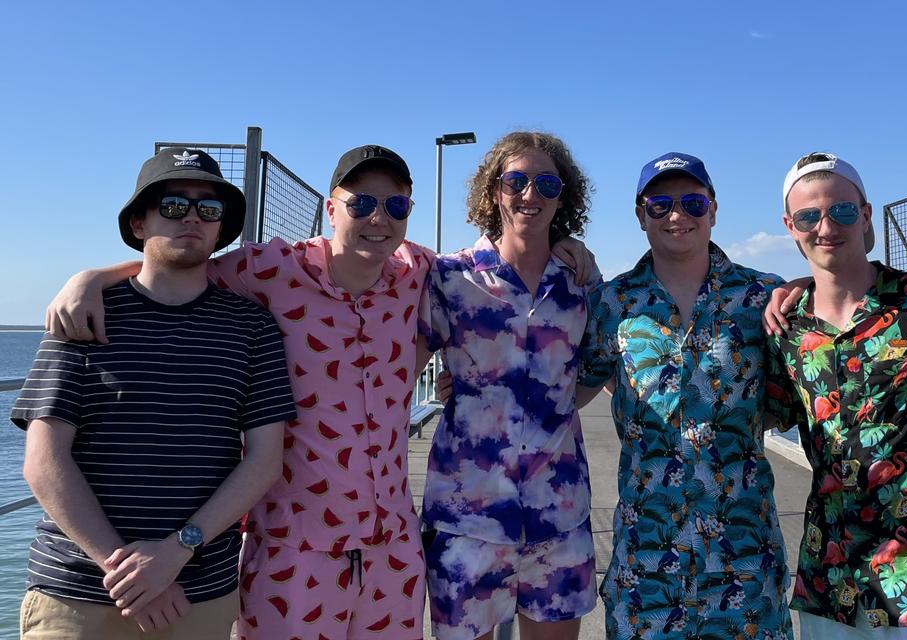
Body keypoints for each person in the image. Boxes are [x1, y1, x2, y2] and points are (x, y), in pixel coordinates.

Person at [46, 143, 598, 640]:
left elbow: (507, 262)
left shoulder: (423, 275)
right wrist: (93, 278)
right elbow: (179, 267)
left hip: (391, 551)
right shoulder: (269, 269)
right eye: (360, 204)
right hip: (294, 548)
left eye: (395, 207)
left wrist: (566, 242)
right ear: (331, 208)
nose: (377, 219)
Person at [13, 148, 295, 639]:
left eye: (209, 210)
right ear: (138, 223)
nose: (192, 217)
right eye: (172, 205)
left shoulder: (252, 328)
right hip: (76, 593)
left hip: (197, 593)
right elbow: (43, 461)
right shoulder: (83, 316)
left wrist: (175, 553)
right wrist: (131, 573)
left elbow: (265, 461)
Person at [764, 152, 907, 639]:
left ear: (865, 214)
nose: (826, 226)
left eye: (842, 211)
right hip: (834, 576)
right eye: (809, 216)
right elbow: (773, 409)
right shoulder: (784, 327)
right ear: (790, 226)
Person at [578, 153, 794, 640]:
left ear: (713, 210)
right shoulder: (612, 304)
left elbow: (807, 390)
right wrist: (470, 385)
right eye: (660, 205)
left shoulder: (762, 297)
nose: (677, 216)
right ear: (640, 216)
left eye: (693, 202)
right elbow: (568, 387)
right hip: (648, 561)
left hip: (744, 559)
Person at [419, 131, 599, 640]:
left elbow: (602, 371)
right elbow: (397, 368)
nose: (530, 194)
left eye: (546, 183)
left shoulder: (580, 284)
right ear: (493, 191)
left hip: (557, 517)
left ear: (564, 197)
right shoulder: (451, 277)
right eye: (516, 180)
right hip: (467, 519)